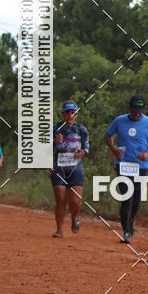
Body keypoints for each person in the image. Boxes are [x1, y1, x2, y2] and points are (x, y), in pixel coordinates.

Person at [105, 94, 148, 244]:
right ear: (129, 108)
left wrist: (147, 154)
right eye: (135, 111)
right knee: (126, 198)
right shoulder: (119, 120)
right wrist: (114, 150)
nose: (137, 114)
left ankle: (130, 222)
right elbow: (108, 136)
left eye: (140, 111)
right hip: (123, 165)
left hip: (141, 166)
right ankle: (127, 232)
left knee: (137, 200)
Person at [51, 101, 90, 238]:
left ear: (76, 114)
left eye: (72, 112)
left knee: (75, 202)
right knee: (60, 199)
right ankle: (59, 229)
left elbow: (86, 147)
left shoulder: (81, 129)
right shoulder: (54, 128)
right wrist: (55, 142)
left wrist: (83, 152)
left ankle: (74, 217)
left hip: (76, 166)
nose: (70, 115)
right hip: (59, 166)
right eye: (67, 112)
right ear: (63, 114)